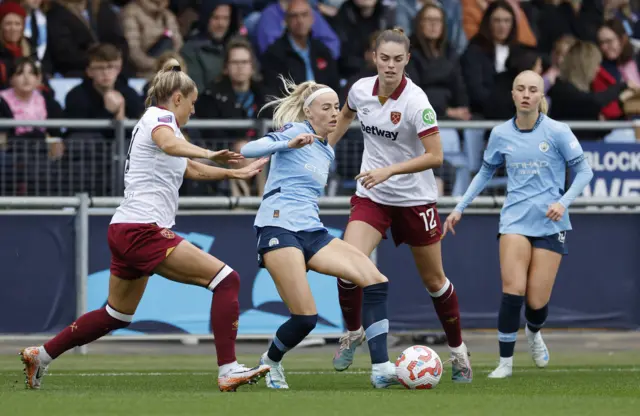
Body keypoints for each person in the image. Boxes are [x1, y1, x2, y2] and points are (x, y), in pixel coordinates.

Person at [19, 59, 270, 392]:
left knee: (116, 314)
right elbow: (171, 145)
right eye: (192, 104)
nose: (193, 111)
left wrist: (231, 173)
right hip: (142, 229)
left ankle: (42, 355)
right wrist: (212, 153)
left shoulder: (160, 126)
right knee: (227, 279)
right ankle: (228, 369)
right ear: (177, 98)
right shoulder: (159, 118)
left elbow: (188, 167)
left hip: (126, 228)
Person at [327, 27, 473, 383]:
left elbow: (436, 156)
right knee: (347, 265)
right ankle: (352, 333)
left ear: (407, 60)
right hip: (372, 195)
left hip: (414, 199)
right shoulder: (360, 90)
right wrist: (324, 148)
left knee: (434, 281)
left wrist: (390, 170)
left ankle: (458, 353)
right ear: (373, 58)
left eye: (397, 59)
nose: (390, 66)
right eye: (384, 58)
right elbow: (345, 115)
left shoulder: (417, 103)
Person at [240, 76, 398, 390]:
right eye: (326, 107)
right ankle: (269, 362)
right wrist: (287, 143)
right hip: (278, 226)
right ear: (309, 113)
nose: (334, 113)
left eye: (337, 107)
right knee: (305, 318)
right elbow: (249, 148)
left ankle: (381, 369)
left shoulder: (326, 150)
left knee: (376, 280)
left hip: (312, 230)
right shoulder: (297, 131)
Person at [442, 70, 594, 379]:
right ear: (513, 94)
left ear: (541, 97)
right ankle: (505, 363)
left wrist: (562, 202)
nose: (526, 94)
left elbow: (585, 173)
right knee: (513, 290)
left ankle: (534, 332)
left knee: (537, 302)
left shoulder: (557, 131)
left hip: (552, 221)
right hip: (514, 219)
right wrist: (459, 207)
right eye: (520, 89)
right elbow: (484, 173)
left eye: (533, 90)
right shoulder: (500, 134)